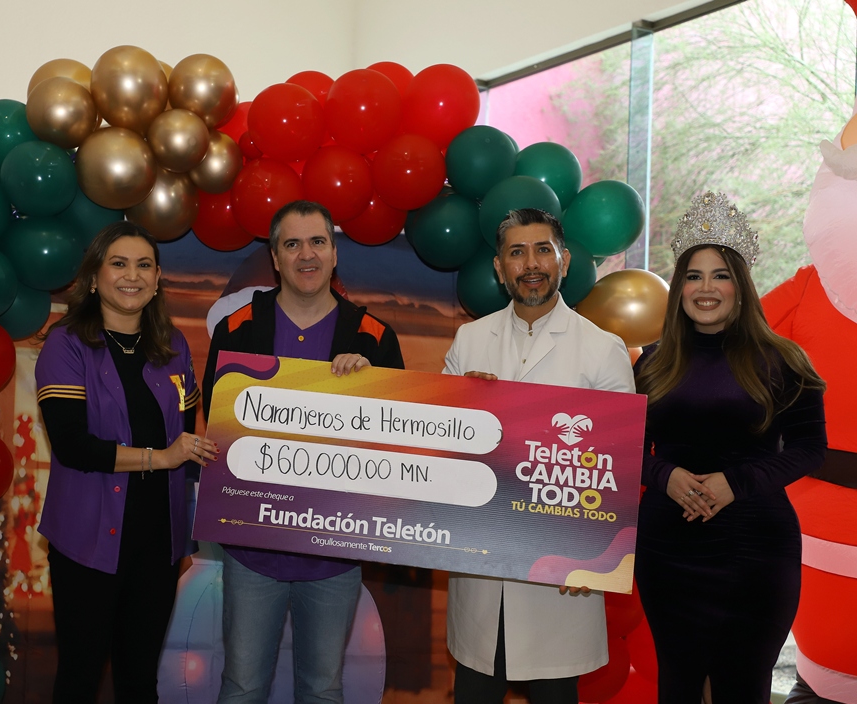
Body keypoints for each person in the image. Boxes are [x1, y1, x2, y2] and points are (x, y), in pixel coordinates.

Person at [202, 200, 404, 703]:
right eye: (292, 244)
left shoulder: (375, 339)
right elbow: (218, 423)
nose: (306, 254)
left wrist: (371, 388)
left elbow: (397, 449)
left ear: (335, 253)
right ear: (275, 258)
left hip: (335, 553)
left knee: (323, 689)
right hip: (253, 549)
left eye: (317, 242)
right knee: (242, 686)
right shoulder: (237, 329)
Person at [633, 192, 827, 704]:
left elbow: (811, 448)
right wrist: (665, 476)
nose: (706, 288)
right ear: (679, 287)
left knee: (743, 687)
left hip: (756, 551)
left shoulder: (784, 359)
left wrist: (735, 483)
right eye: (694, 276)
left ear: (740, 285)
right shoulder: (651, 362)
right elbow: (621, 448)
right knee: (678, 685)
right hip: (668, 551)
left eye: (720, 275)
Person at [443, 208, 635, 704]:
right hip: (481, 571)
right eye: (517, 252)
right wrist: (460, 411)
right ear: (499, 267)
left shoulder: (603, 349)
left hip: (560, 581)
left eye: (543, 250)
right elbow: (439, 457)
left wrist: (595, 557)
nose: (531, 264)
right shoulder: (469, 342)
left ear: (564, 261)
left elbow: (614, 471)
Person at [35, 221, 218, 704]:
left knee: (139, 683)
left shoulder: (173, 345)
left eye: (144, 265)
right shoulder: (66, 343)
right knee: (79, 678)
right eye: (118, 264)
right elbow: (73, 446)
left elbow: (188, 441)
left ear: (157, 280)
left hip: (158, 543)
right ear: (94, 277)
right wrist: (162, 457)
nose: (132, 275)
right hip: (87, 541)